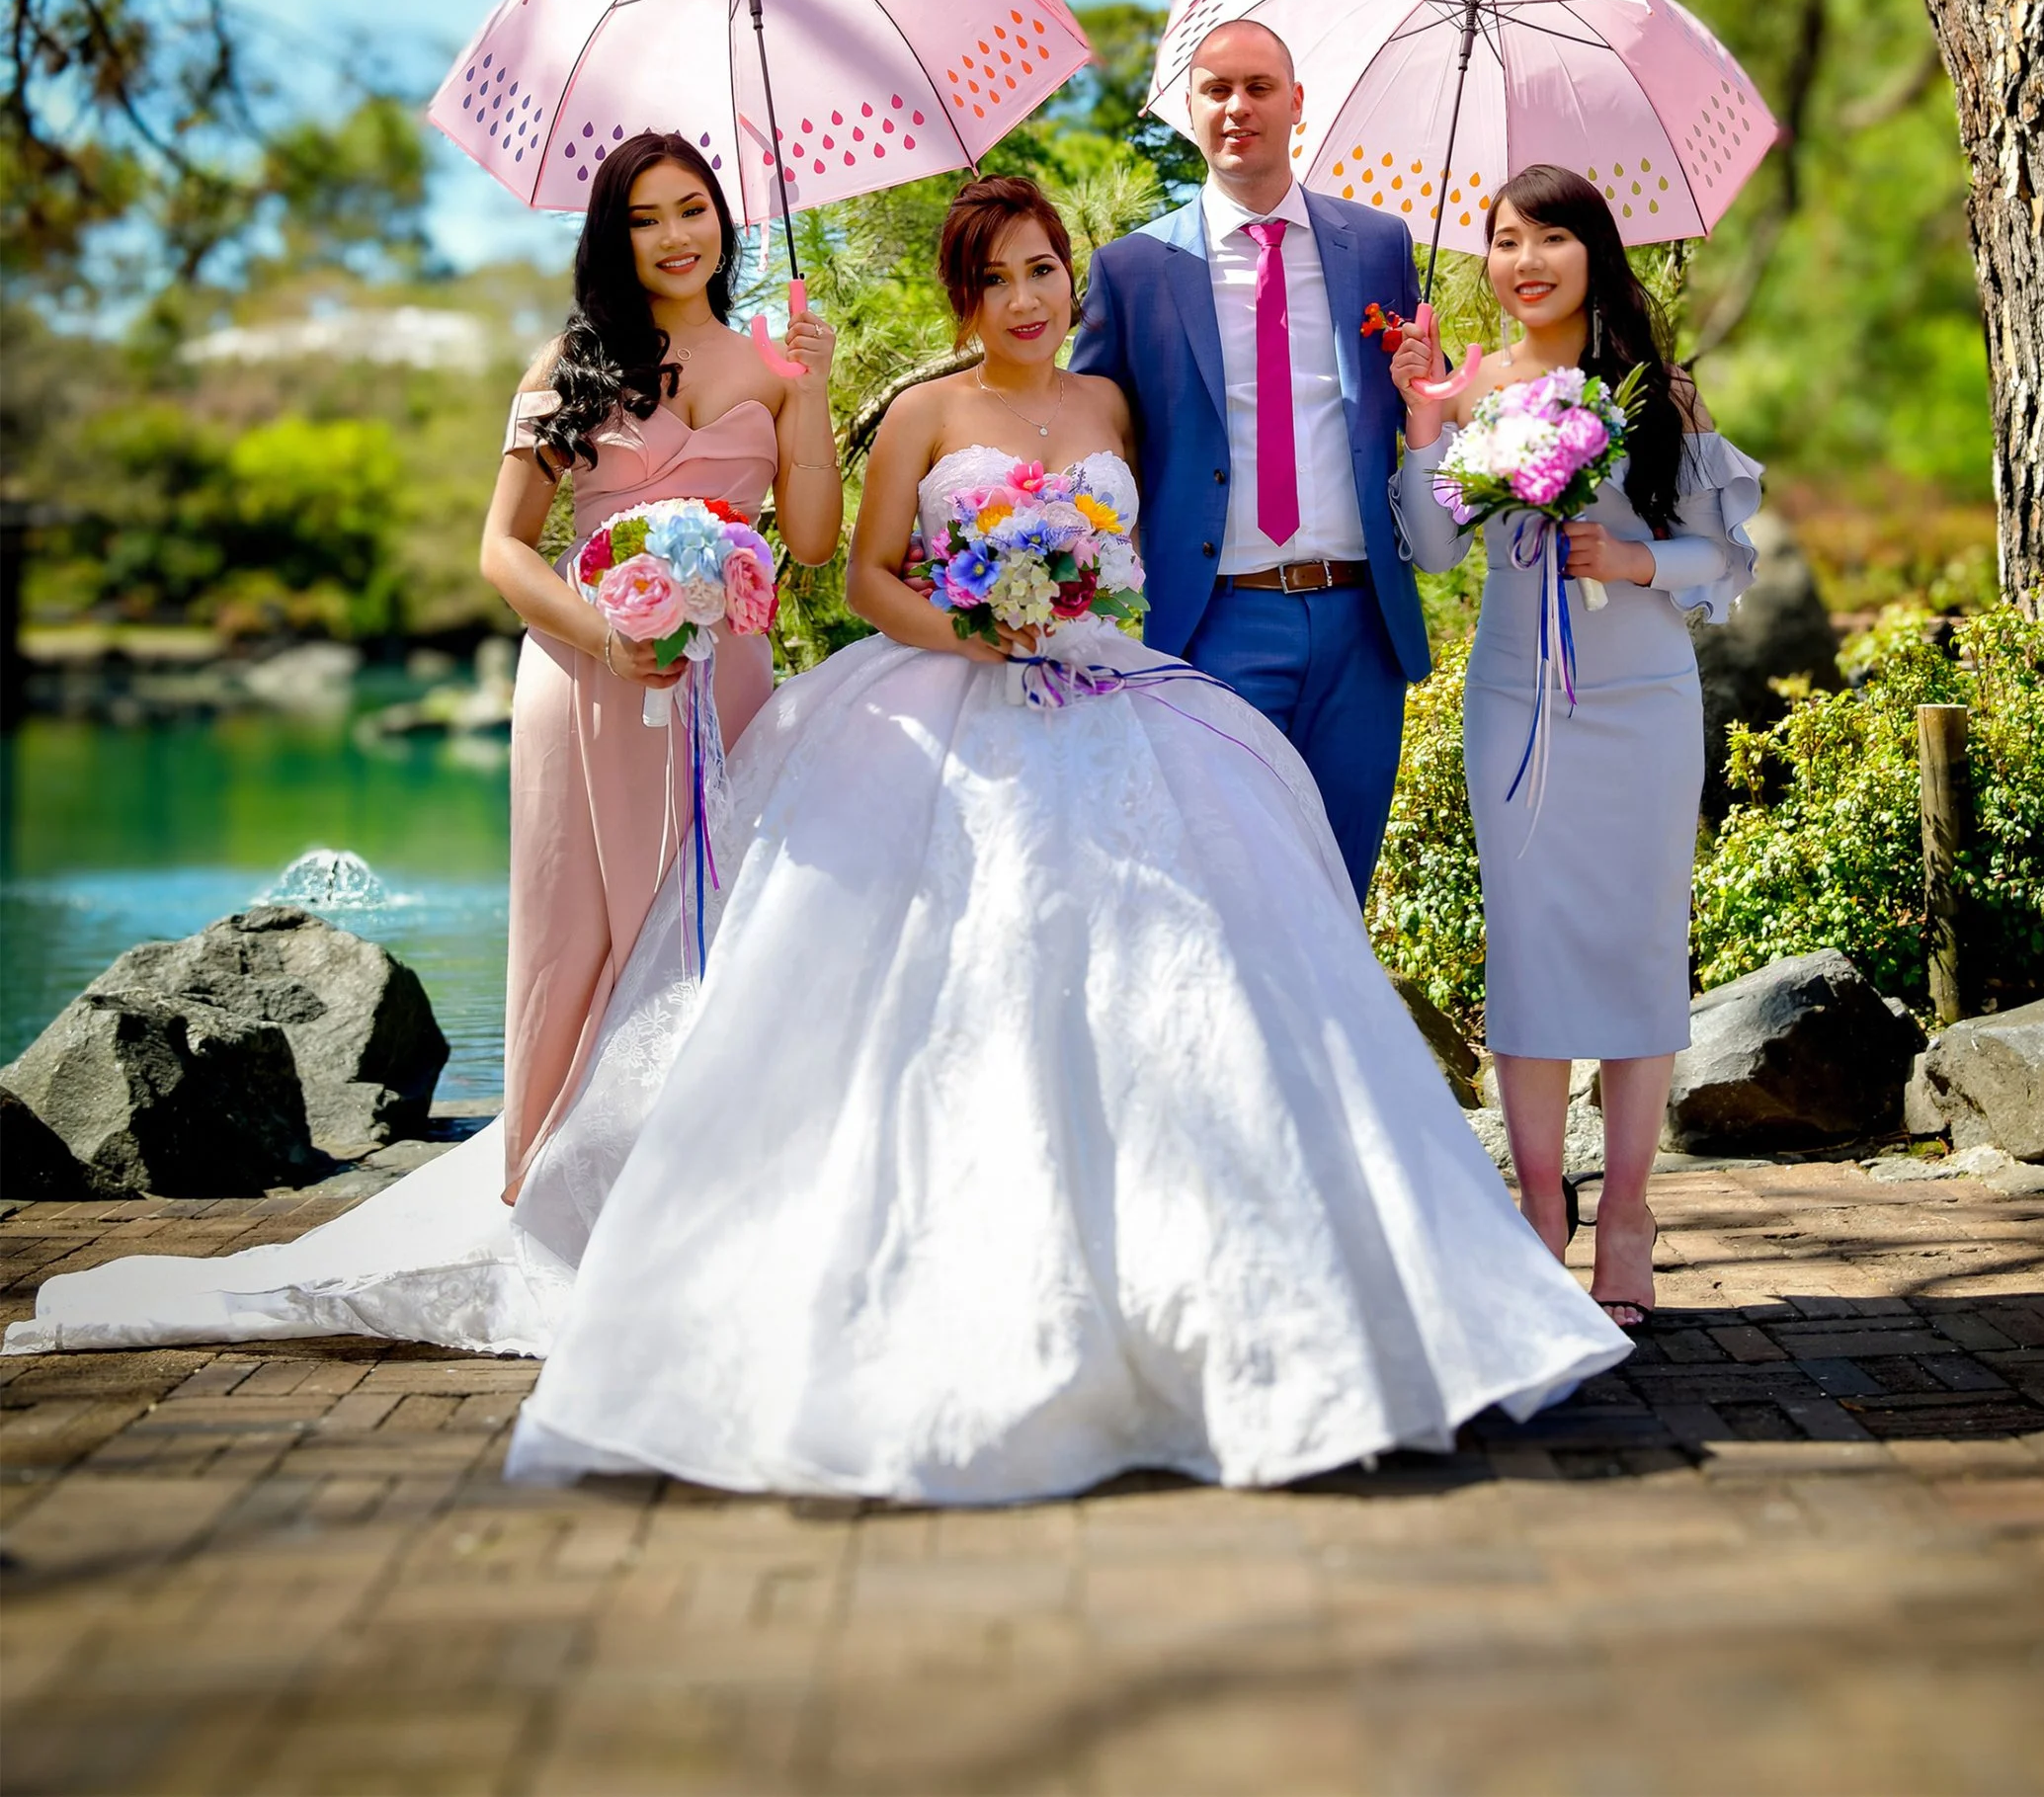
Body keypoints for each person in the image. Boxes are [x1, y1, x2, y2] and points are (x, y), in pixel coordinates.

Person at [9, 174, 1628, 1507]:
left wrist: (1088, 601)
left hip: (1105, 691)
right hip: (939, 694)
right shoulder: (917, 411)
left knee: (1182, 958)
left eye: (1047, 266)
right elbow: (851, 572)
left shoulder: (1115, 397)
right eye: (997, 273)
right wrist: (975, 620)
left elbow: (1162, 535)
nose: (1028, 293)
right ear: (959, 295)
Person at [1389, 166, 1762, 1325]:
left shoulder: (1658, 394)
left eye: (1553, 235)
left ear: (1595, 251)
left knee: (1640, 939)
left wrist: (1636, 559)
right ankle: (1538, 1204)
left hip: (1641, 699)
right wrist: (1424, 424)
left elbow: (1721, 556)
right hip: (1515, 700)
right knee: (1531, 938)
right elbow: (1433, 551)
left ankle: (1633, 1211)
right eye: (1506, 239)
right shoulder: (1475, 387)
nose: (1528, 259)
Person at [479, 132, 841, 1195]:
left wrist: (811, 388)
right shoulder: (565, 369)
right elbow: (501, 545)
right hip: (586, 678)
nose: (674, 235)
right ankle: (555, 1181)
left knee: (713, 920)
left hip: (724, 682)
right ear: (613, 237)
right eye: (644, 218)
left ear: (723, 221)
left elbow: (813, 541)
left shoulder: (777, 362)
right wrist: (604, 634)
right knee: (577, 929)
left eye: (691, 208)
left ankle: (700, 1190)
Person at [1072, 18, 1426, 898]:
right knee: (1227, 890)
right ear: (1186, 111)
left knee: (1341, 891)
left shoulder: (1379, 246)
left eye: (1260, 87)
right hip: (1212, 621)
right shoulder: (1135, 266)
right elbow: (1088, 436)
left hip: (1361, 621)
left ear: (1297, 102)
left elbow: (1419, 407)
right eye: (1216, 89)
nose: (1238, 107)